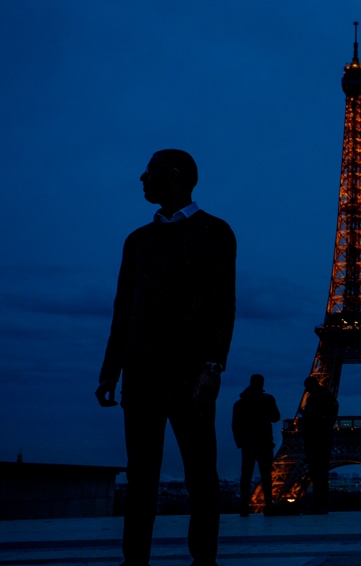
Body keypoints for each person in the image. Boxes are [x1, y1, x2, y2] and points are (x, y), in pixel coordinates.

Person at [95, 149, 236, 566]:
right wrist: (110, 372)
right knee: (142, 475)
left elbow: (222, 305)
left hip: (190, 374)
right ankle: (136, 559)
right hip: (141, 374)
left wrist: (213, 366)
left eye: (149, 172)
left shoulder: (215, 232)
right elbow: (124, 308)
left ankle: (202, 559)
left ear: (173, 176)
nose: (141, 178)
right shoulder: (137, 240)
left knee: (200, 475)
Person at [231, 374, 280, 516]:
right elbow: (276, 417)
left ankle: (244, 505)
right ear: (262, 384)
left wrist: (239, 442)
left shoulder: (239, 404)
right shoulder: (267, 399)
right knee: (266, 475)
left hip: (247, 443)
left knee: (246, 475)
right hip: (264, 441)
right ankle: (269, 504)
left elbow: (235, 425)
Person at [300, 376, 338, 514]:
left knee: (316, 474)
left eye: (308, 388)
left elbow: (310, 419)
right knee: (322, 474)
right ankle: (322, 505)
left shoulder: (315, 399)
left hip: (314, 439)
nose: (307, 391)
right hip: (324, 438)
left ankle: (319, 505)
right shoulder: (328, 398)